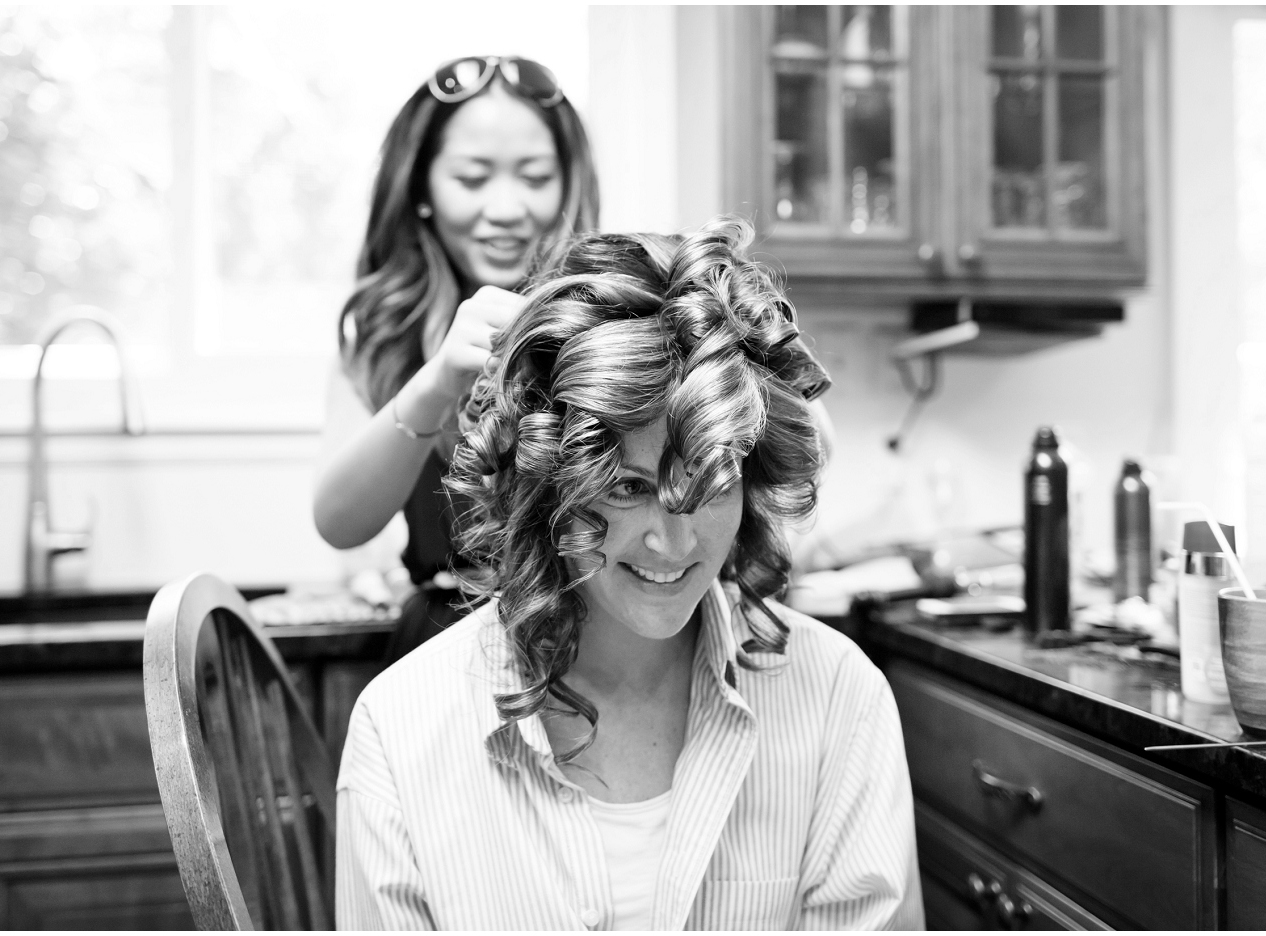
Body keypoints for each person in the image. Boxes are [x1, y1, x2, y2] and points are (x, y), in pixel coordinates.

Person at [335, 217, 923, 930]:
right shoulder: (401, 730)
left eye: (708, 484)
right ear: (548, 483)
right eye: (626, 487)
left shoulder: (837, 701)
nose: (673, 543)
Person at [313, 55, 599, 662]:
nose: (506, 208)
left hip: (595, 639)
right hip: (444, 651)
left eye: (536, 177)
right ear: (420, 189)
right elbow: (339, 522)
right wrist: (437, 381)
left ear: (569, 182)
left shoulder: (604, 309)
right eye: (472, 179)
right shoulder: (383, 332)